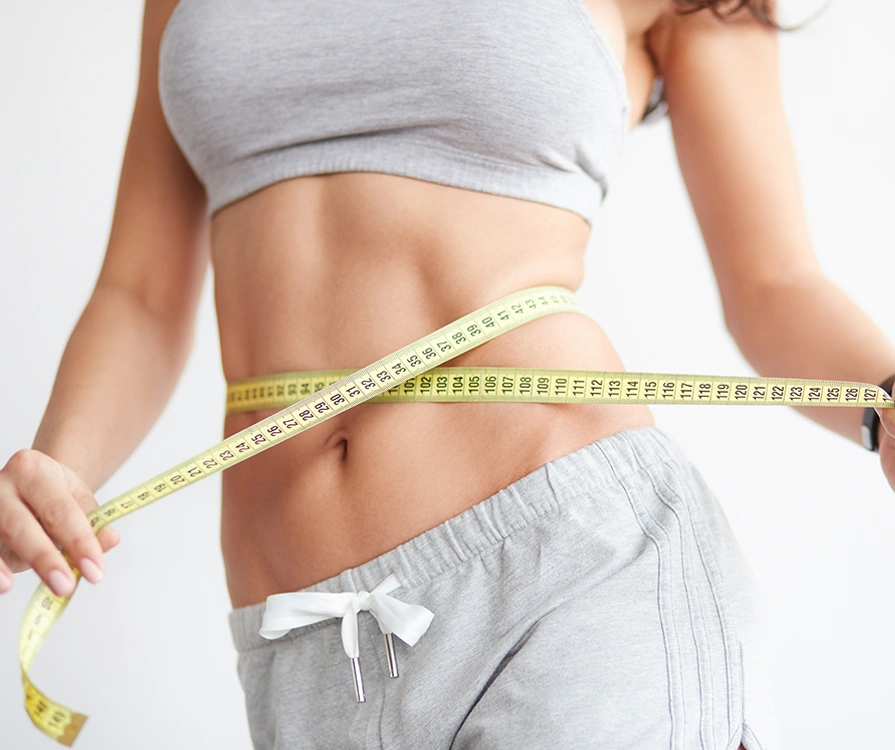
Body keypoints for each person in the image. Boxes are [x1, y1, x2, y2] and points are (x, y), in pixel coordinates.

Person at [2, 0, 894, 747]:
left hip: (572, 568)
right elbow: (141, 292)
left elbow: (776, 284)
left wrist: (885, 397)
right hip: (310, 640)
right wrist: (60, 471)